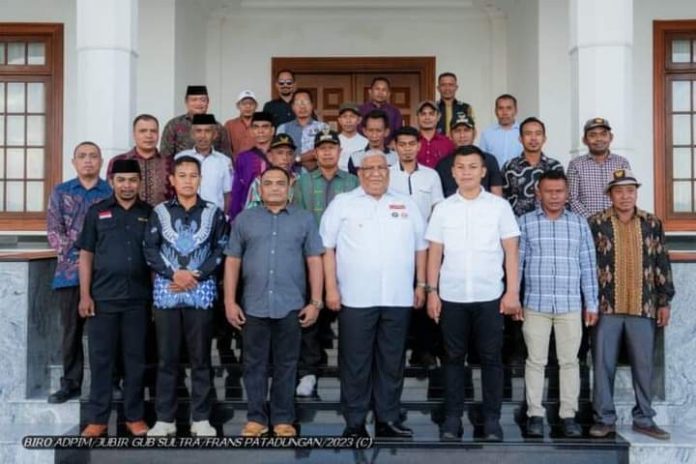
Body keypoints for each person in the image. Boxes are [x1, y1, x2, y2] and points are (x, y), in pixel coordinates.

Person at [320, 151, 428, 439]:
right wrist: (330, 288)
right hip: (355, 297)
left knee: (392, 361)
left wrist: (421, 285)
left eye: (381, 168)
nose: (376, 173)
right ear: (359, 173)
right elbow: (326, 247)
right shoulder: (343, 203)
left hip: (398, 296)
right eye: (369, 169)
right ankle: (354, 422)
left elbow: (421, 247)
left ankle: (387, 419)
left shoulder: (407, 203)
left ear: (389, 172)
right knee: (355, 362)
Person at [425, 145, 521, 442]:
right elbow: (434, 252)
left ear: (483, 171)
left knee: (492, 359)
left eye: (472, 166)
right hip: (452, 296)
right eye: (461, 167)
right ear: (453, 172)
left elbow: (511, 251)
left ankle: (491, 420)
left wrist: (512, 292)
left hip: (490, 295)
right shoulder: (443, 208)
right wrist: (431, 291)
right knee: (453, 359)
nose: (466, 172)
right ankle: (452, 419)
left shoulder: (499, 207)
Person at [224, 166, 324, 437]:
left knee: (287, 364)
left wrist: (316, 301)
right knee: (253, 364)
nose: (275, 188)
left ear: (290, 186)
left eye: (280, 183)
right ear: (260, 187)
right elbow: (232, 261)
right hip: (253, 305)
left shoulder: (304, 219)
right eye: (269, 183)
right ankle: (256, 418)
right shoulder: (244, 219)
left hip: (290, 305)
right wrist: (229, 301)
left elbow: (314, 260)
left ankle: (283, 419)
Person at [144, 156, 229, 437]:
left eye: (193, 175)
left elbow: (221, 249)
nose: (188, 180)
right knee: (166, 359)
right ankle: (164, 419)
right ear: (172, 180)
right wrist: (175, 275)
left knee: (201, 358)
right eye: (182, 175)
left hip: (200, 292)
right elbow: (150, 249)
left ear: (200, 179)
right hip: (167, 293)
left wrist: (195, 275)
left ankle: (201, 418)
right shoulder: (159, 212)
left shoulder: (214, 213)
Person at [588, 169, 675, 441]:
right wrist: (588, 302)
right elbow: (587, 265)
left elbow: (661, 261)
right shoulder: (596, 223)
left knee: (644, 365)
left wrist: (664, 301)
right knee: (603, 365)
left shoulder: (652, 222)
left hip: (643, 305)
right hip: (606, 306)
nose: (625, 196)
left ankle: (644, 418)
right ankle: (604, 419)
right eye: (619, 191)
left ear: (636, 193)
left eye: (630, 190)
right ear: (610, 195)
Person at [517, 170, 598, 439]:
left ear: (567, 194)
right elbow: (517, 264)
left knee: (570, 362)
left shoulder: (579, 224)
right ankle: (534, 415)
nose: (554, 196)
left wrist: (592, 303)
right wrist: (514, 297)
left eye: (559, 191)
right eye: (548, 191)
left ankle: (568, 416)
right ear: (538, 193)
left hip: (570, 304)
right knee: (535, 361)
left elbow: (588, 266)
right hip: (535, 304)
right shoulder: (525, 223)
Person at [77, 159, 152, 438]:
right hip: (103, 299)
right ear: (111, 182)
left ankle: (134, 417)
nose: (127, 185)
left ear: (139, 183)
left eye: (132, 180)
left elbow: (157, 257)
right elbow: (86, 255)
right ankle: (97, 419)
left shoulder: (150, 213)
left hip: (138, 300)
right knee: (101, 361)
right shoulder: (97, 212)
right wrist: (85, 295)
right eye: (121, 180)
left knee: (135, 361)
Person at [292, 129, 359, 397]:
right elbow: (298, 219)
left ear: (340, 152)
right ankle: (309, 371)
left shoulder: (353, 181)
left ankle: (350, 372)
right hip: (312, 259)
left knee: (351, 318)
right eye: (322, 148)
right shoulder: (303, 182)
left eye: (332, 147)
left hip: (349, 259)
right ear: (316, 153)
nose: (327, 152)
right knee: (311, 316)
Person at [46, 142, 112, 404]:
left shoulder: (109, 192)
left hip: (104, 274)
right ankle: (71, 384)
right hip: (69, 274)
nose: (88, 160)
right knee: (71, 332)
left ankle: (108, 383)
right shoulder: (61, 192)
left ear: (101, 161)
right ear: (73, 162)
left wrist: (98, 260)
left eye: (93, 156)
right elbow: (54, 232)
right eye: (82, 156)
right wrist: (80, 258)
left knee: (105, 334)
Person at [389, 126, 444, 370]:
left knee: (425, 298)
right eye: (402, 144)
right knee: (400, 299)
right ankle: (398, 351)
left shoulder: (431, 176)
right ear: (395, 146)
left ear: (419, 146)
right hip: (396, 248)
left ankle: (424, 352)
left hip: (426, 247)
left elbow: (437, 209)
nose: (407, 149)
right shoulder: (388, 174)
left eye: (412, 144)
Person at [568, 117, 632, 218]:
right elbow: (572, 199)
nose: (599, 139)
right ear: (584, 140)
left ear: (611, 137)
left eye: (603, 134)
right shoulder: (575, 165)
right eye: (593, 135)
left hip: (617, 222)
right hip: (586, 223)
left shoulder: (622, 163)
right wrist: (593, 221)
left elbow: (627, 195)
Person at [501, 117, 564, 217]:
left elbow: (563, 197)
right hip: (517, 223)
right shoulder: (509, 167)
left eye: (538, 134)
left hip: (548, 221)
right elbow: (502, 199)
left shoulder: (554, 166)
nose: (533, 138)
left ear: (544, 139)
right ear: (520, 139)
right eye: (528, 133)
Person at [107, 114, 170, 206]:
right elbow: (110, 194)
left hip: (163, 214)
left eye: (153, 131)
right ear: (134, 134)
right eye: (143, 131)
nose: (148, 135)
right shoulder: (119, 161)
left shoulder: (170, 162)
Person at [174, 114, 233, 213]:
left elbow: (228, 193)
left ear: (214, 135)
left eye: (207, 131)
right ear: (192, 134)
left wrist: (225, 216)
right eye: (198, 131)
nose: (203, 136)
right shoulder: (180, 158)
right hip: (185, 214)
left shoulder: (224, 161)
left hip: (215, 215)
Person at [436, 113, 503, 197]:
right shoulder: (442, 165)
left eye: (466, 130)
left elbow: (497, 195)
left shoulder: (489, 160)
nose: (462, 135)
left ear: (474, 133)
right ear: (450, 134)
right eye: (457, 131)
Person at [160, 85, 232, 158]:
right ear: (186, 102)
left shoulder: (218, 127)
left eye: (202, 100)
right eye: (194, 100)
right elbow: (165, 156)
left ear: (208, 102)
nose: (198, 103)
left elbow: (226, 155)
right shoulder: (174, 125)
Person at [229, 111, 275, 221]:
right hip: (250, 213)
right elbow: (237, 190)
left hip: (276, 211)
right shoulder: (243, 157)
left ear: (272, 130)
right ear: (251, 131)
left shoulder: (281, 155)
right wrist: (234, 217)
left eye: (265, 127)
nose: (260, 131)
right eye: (256, 127)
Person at [277, 89, 328, 171]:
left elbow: (324, 151)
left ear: (312, 105)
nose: (302, 106)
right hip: (289, 174)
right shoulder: (283, 128)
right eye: (298, 103)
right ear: (292, 107)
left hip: (316, 174)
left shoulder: (323, 127)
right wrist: (307, 158)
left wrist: (297, 159)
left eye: (306, 102)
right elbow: (280, 154)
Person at [245, 134, 297, 209]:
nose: (285, 158)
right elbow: (251, 212)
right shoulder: (259, 182)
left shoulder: (301, 180)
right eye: (280, 153)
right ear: (270, 157)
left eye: (289, 153)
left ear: (293, 157)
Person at [347, 110, 398, 174]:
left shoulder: (396, 158)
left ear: (386, 132)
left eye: (378, 131)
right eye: (370, 130)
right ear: (364, 131)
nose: (374, 135)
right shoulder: (355, 158)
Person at [479, 94, 523, 168]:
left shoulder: (523, 132)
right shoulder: (487, 133)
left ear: (515, 111)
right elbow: (482, 160)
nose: (504, 112)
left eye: (509, 108)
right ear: (495, 111)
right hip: (494, 175)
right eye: (500, 108)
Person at [358, 76, 403, 143]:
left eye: (384, 90)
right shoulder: (361, 110)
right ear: (370, 91)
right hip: (363, 147)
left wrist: (391, 145)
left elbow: (399, 133)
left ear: (388, 94)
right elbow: (356, 131)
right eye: (377, 89)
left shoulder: (395, 112)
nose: (380, 93)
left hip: (388, 148)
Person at [416, 101, 455, 169]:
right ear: (417, 117)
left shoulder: (448, 143)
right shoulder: (411, 142)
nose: (427, 117)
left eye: (431, 114)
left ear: (438, 117)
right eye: (423, 114)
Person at [436, 72, 473, 136]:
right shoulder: (433, 108)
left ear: (456, 87)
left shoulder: (466, 108)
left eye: (450, 85)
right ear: (438, 88)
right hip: (437, 142)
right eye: (443, 85)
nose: (447, 88)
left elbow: (471, 131)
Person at [225, 90, 259, 159]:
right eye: (244, 104)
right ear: (238, 106)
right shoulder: (230, 125)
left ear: (256, 106)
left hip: (257, 163)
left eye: (251, 103)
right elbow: (226, 149)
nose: (248, 106)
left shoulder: (261, 125)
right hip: (236, 163)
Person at [337, 103, 367, 172]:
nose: (348, 121)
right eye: (344, 116)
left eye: (352, 116)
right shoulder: (334, 141)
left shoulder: (366, 143)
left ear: (359, 120)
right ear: (339, 120)